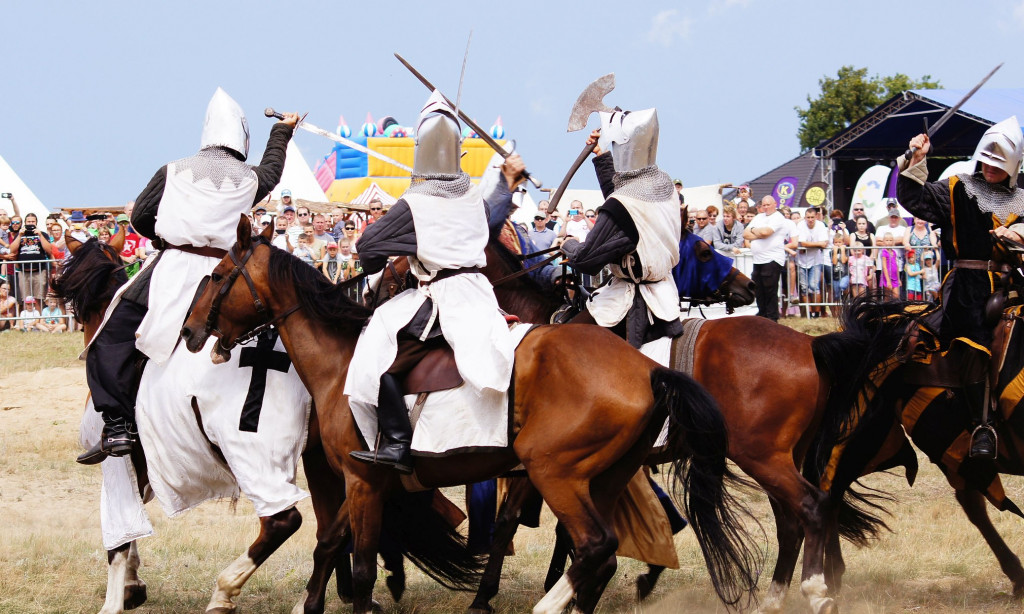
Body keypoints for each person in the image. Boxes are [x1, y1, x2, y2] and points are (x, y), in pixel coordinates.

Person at [77, 88, 297, 464]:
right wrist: (283, 131)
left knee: (108, 338)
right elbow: (274, 171)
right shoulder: (252, 178)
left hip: (173, 270)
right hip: (226, 275)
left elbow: (140, 216)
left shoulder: (172, 170)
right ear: (241, 137)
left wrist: (167, 238)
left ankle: (117, 426)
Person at [345, 91, 518, 474]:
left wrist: (397, 248)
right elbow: (490, 220)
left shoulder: (415, 201)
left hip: (440, 295)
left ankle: (396, 443)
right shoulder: (472, 196)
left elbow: (368, 247)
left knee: (382, 357)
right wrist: (506, 184)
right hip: (480, 293)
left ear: (419, 150)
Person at [898, 118, 1024, 458]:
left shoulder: (1023, 197)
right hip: (969, 289)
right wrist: (916, 159)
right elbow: (915, 198)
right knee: (975, 343)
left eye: (999, 164)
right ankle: (982, 425)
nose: (990, 167)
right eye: (986, 160)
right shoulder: (958, 187)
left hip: (1014, 284)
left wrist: (1018, 234)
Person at [560, 107, 682, 354]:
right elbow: (623, 204)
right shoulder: (665, 185)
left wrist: (568, 243)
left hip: (631, 301)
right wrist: (601, 155)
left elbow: (586, 260)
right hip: (665, 291)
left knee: (564, 345)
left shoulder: (626, 202)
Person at [744, 195, 790, 321]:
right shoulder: (758, 217)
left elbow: (766, 232)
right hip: (758, 259)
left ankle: (772, 317)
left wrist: (757, 232)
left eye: (768, 204)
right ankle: (762, 314)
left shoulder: (778, 217)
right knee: (758, 289)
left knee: (770, 290)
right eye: (763, 205)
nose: (765, 207)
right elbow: (746, 234)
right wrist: (757, 232)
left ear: (774, 204)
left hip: (772, 259)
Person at [9, 212, 53, 305]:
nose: (31, 223)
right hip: (24, 271)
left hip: (39, 271)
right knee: (26, 300)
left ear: (36, 223)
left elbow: (49, 250)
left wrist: (40, 235)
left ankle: (40, 319)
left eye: (33, 221)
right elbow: (12, 249)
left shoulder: (43, 234)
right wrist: (20, 236)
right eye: (29, 221)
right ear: (25, 223)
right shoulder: (19, 234)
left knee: (39, 299)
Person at [794, 206, 829, 317]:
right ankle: (808, 313)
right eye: (808, 217)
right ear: (805, 217)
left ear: (816, 217)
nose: (810, 219)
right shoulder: (800, 225)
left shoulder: (821, 226)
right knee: (804, 288)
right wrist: (817, 244)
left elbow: (824, 243)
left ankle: (817, 313)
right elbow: (803, 244)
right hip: (801, 261)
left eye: (812, 217)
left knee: (814, 287)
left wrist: (810, 245)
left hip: (815, 261)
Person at [877, 232, 901, 299]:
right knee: (887, 296)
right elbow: (884, 266)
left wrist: (898, 279)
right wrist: (888, 280)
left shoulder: (894, 252)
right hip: (887, 277)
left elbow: (896, 265)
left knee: (896, 295)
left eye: (890, 240)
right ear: (884, 242)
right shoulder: (884, 252)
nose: (889, 242)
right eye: (887, 240)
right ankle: (885, 309)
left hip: (895, 277)